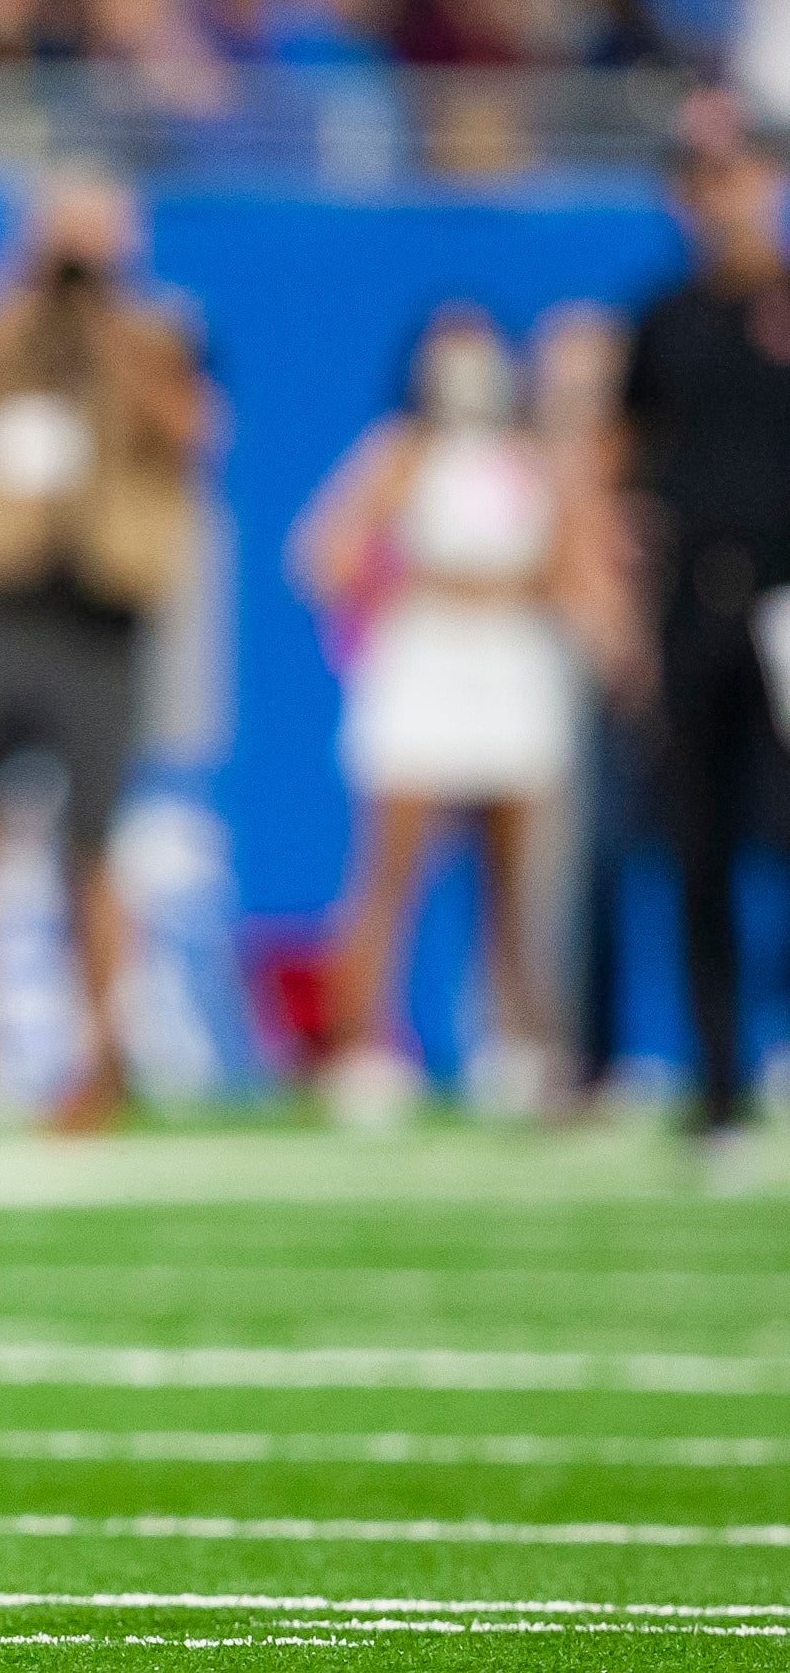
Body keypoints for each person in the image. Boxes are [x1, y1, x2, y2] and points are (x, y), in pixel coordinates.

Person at [0, 167, 205, 1133]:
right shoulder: (6, 335)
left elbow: (187, 430)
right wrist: (19, 291)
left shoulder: (159, 336)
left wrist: (106, 314)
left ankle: (101, 1065)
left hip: (101, 621)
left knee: (90, 851)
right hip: (2, 607)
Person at [292, 307, 578, 1128]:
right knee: (390, 872)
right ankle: (358, 1050)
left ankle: (523, 1048)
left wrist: (513, 590)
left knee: (513, 878)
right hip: (422, 666)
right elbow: (323, 556)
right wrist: (413, 585)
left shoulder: (528, 461)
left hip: (510, 667)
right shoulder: (400, 453)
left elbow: (565, 565)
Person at [620, 94, 790, 1150]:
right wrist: (623, 613)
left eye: (733, 174)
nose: (717, 198)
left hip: (788, 602)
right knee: (699, 847)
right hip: (692, 601)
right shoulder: (663, 318)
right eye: (699, 179)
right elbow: (623, 467)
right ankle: (718, 1079)